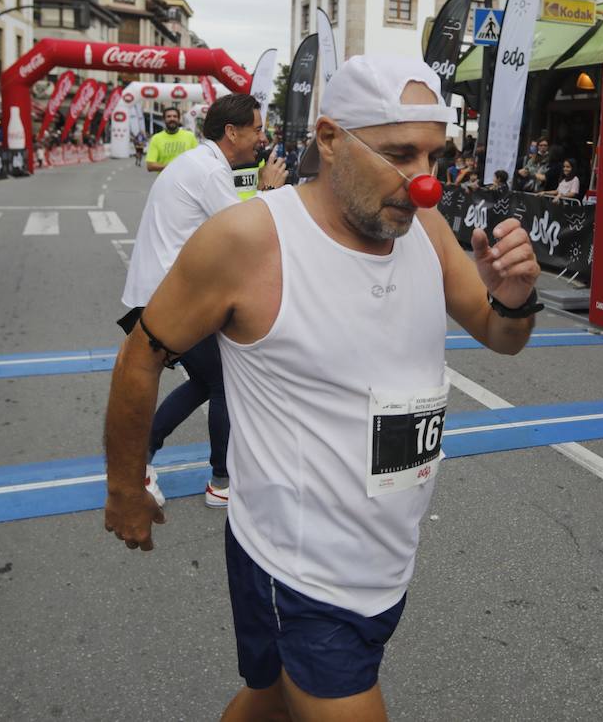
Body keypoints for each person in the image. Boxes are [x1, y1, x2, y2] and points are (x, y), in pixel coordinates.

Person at [102, 54, 541, 722]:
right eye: (399, 155)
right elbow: (142, 356)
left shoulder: (422, 227)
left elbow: (501, 334)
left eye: (434, 157)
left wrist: (513, 298)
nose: (425, 184)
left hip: (387, 557)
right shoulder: (250, 240)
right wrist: (125, 488)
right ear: (330, 139)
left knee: (271, 703)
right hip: (299, 569)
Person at [120, 94, 287, 509]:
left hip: (163, 293)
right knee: (223, 381)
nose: (261, 139)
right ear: (232, 132)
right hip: (170, 299)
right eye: (257, 130)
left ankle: (143, 455)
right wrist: (267, 189)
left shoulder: (203, 163)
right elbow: (245, 237)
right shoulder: (210, 170)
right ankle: (220, 481)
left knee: (205, 380)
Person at [145, 107, 198, 172]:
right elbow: (150, 166)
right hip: (165, 180)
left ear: (178, 119)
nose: (172, 118)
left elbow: (197, 160)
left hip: (186, 179)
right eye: (169, 116)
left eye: (175, 116)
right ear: (164, 119)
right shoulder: (156, 138)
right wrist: (172, 166)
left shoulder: (190, 136)